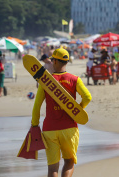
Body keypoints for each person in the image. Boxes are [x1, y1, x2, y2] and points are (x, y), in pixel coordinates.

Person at [32, 48, 92, 177]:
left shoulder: (45, 82)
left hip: (50, 129)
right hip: (69, 128)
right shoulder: (74, 79)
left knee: (53, 167)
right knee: (69, 162)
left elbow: (37, 106)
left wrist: (34, 124)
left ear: (54, 61)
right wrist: (77, 111)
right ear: (67, 62)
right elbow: (87, 97)